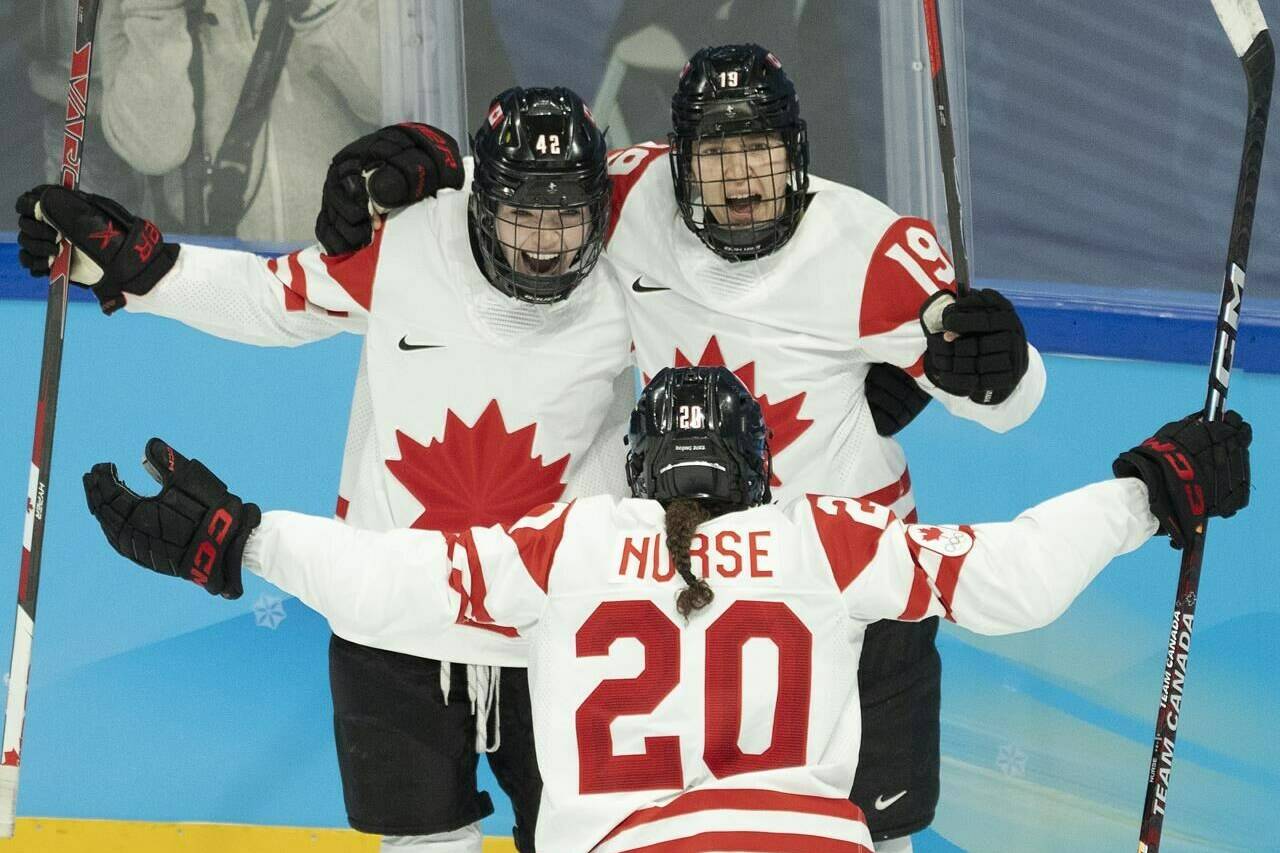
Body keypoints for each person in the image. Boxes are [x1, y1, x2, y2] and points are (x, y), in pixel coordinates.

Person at [314, 44, 1046, 850]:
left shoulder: (877, 249)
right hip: (704, 585)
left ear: (796, 152)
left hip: (856, 577)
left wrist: (1006, 370)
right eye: (717, 155)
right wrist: (418, 167)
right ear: (676, 161)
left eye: (760, 152)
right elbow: (519, 182)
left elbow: (1003, 403)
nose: (740, 180)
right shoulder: (629, 198)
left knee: (877, 834)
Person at [81, 366, 1251, 852]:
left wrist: (244, 537)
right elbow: (1010, 577)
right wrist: (1146, 493)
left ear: (635, 467)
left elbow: (394, 588)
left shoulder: (570, 541)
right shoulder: (823, 534)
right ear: (757, 464)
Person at [16, 87, 632, 853]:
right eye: (522, 216)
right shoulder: (411, 246)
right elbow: (270, 300)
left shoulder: (632, 280)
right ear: (482, 201)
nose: (545, 242)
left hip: (557, 631)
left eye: (567, 217)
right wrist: (134, 266)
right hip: (391, 622)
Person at [96, 0, 381, 240]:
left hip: (346, 270)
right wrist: (159, 14)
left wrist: (321, 11)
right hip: (215, 278)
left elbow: (397, 110)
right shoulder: (134, 7)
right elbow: (152, 150)